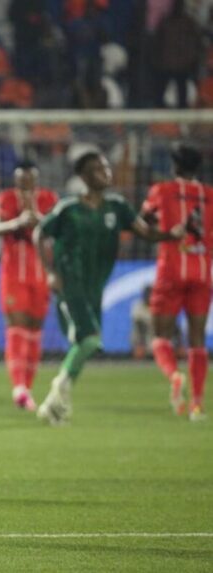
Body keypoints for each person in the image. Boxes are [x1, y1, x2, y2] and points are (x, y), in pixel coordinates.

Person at [34, 151, 185, 426]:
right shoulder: (69, 209)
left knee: (86, 343)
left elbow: (145, 233)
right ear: (83, 177)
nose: (106, 172)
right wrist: (51, 273)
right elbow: (40, 233)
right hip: (70, 286)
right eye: (97, 169)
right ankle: (58, 393)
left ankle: (53, 405)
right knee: (90, 340)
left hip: (95, 288)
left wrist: (170, 235)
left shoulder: (118, 208)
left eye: (106, 166)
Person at [143, 143, 213, 421]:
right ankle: (197, 404)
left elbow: (143, 221)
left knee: (160, 336)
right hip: (203, 271)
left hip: (171, 269)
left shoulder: (162, 191)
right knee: (197, 339)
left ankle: (174, 376)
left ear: (175, 167)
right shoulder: (210, 195)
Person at [0, 160, 58, 411]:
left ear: (36, 178)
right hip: (13, 275)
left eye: (30, 178)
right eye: (21, 179)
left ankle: (26, 388)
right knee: (17, 326)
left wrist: (40, 221)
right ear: (16, 179)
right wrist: (16, 223)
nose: (26, 183)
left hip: (41, 275)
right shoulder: (6, 199)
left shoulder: (49, 199)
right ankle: (18, 387)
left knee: (34, 331)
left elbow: (60, 231)